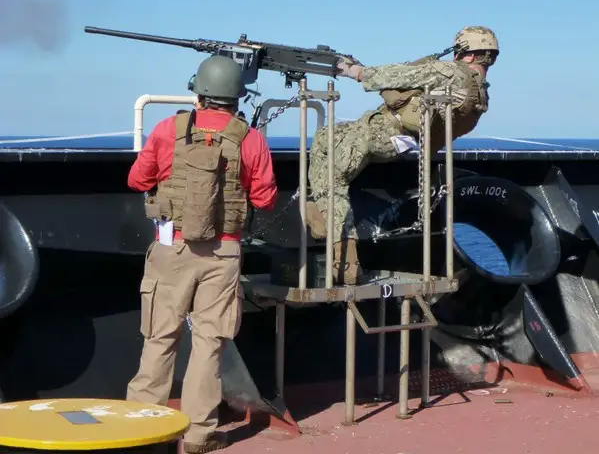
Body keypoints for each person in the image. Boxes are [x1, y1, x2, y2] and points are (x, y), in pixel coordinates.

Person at [126, 55, 278, 454]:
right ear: (236, 99)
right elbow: (264, 198)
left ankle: (142, 428)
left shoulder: (166, 129)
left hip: (170, 246)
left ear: (200, 94)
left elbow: (137, 178)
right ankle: (198, 435)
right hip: (224, 252)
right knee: (209, 344)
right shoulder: (250, 138)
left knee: (159, 337)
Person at [306, 26, 499, 286]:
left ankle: (344, 258)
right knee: (332, 134)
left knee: (329, 170)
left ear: (467, 54)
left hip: (380, 134)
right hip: (406, 144)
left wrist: (352, 70)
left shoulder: (450, 72)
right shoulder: (480, 94)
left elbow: (395, 75)